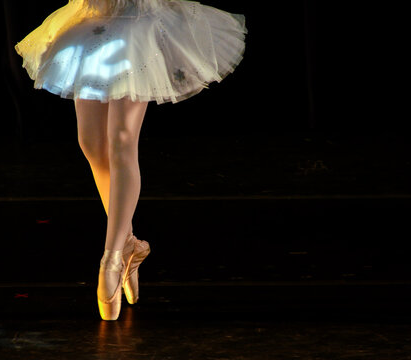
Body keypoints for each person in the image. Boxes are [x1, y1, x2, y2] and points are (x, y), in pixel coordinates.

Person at [15, 0, 248, 321]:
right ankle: (129, 245)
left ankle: (111, 260)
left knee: (122, 138)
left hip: (139, 23)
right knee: (91, 142)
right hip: (93, 21)